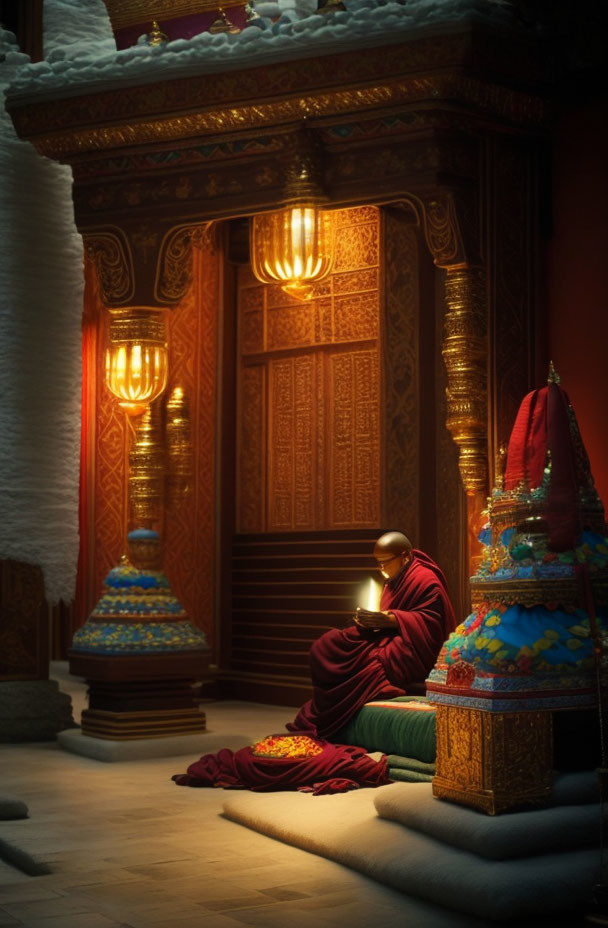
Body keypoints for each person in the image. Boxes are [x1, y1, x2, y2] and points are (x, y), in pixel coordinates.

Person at [287, 531, 456, 739]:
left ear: (405, 557)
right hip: (388, 637)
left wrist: (391, 619)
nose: (381, 569)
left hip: (415, 649)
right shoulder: (395, 577)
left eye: (385, 563)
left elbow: (431, 625)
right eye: (378, 563)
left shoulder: (426, 580)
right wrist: (370, 621)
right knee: (328, 644)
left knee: (369, 663)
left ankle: (341, 705)